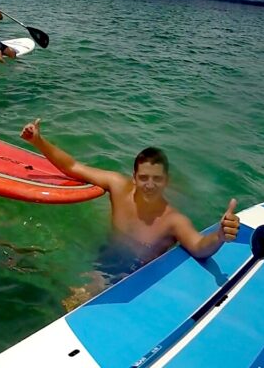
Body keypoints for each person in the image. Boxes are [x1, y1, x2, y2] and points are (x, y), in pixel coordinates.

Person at [19, 118, 241, 309]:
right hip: (105, 258)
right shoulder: (117, 186)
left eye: (157, 179)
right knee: (57, 290)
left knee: (78, 303)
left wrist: (220, 236)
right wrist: (38, 141)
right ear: (134, 177)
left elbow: (200, 246)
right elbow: (73, 166)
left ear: (166, 182)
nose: (150, 185)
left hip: (136, 275)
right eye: (144, 178)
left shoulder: (173, 220)